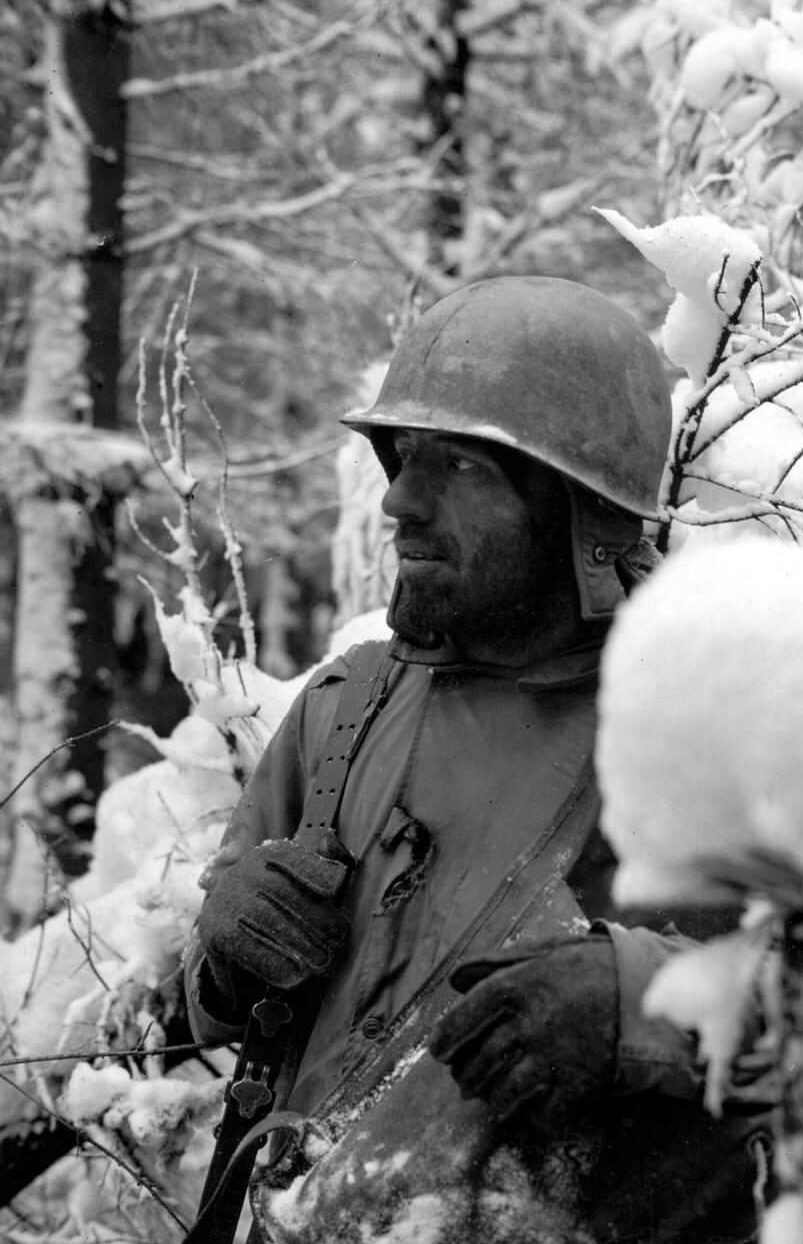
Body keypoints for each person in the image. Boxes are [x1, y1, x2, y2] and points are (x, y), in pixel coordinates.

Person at [184, 275, 772, 1244]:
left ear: (580, 510)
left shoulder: (714, 732)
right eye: (402, 455)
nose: (399, 501)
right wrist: (226, 961)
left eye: (457, 466)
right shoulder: (343, 711)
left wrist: (635, 1003)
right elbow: (208, 1016)